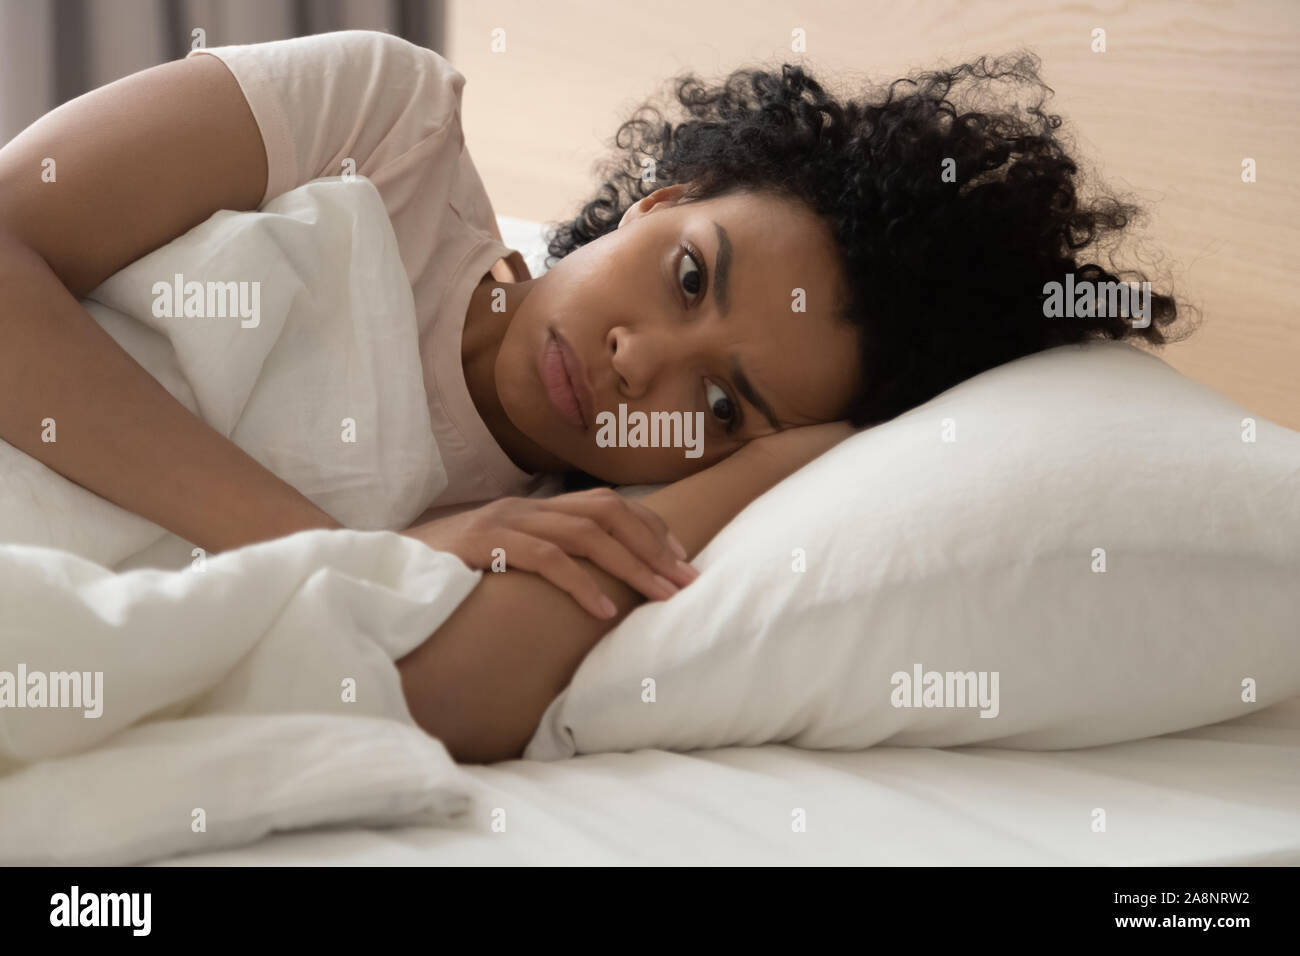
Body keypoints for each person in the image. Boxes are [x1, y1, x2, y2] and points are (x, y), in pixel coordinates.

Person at [0, 31, 1183, 761]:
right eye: (687, 276)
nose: (636, 363)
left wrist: (784, 461)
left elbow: (434, 704)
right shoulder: (384, 124)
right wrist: (347, 550)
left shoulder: (549, 539)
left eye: (721, 404)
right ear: (666, 198)